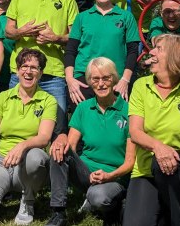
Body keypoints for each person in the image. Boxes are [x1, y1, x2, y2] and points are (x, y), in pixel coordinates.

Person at [125, 34, 180, 226]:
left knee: (166, 166)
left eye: (159, 48)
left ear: (175, 56)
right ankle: (165, 210)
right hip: (145, 168)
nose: (151, 52)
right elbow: (135, 132)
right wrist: (158, 147)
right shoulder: (141, 85)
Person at [0, 49, 57, 225]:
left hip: (27, 163)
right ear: (17, 70)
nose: (28, 71)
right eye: (24, 66)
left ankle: (28, 200)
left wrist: (22, 146)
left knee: (36, 156)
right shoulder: (2, 98)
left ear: (40, 72)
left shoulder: (48, 100)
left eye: (34, 67)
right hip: (1, 161)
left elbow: (45, 137)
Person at [47, 57, 135, 226]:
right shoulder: (83, 108)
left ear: (114, 79)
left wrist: (109, 175)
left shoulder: (129, 111)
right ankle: (58, 213)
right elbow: (70, 147)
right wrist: (60, 141)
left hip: (115, 175)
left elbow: (131, 162)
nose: (101, 84)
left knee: (98, 198)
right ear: (89, 81)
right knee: (59, 149)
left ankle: (114, 204)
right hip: (86, 172)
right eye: (95, 79)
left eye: (106, 78)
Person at [4, 0, 78, 112]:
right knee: (15, 123)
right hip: (21, 71)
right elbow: (8, 32)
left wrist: (55, 38)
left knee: (57, 127)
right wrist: (21, 32)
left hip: (54, 74)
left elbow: (75, 37)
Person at [65, 0, 140, 103]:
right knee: (83, 123)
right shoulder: (82, 17)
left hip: (116, 80)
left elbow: (133, 51)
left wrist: (125, 80)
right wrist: (70, 80)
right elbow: (70, 50)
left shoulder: (126, 17)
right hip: (85, 80)